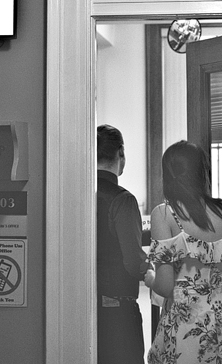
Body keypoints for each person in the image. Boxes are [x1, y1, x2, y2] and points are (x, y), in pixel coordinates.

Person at [146, 141, 222, 364]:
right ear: (203, 172)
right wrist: (213, 281)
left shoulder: (165, 214)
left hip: (184, 334)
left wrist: (149, 279)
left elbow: (165, 286)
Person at [96, 124, 153, 364]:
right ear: (121, 153)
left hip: (89, 310)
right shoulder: (123, 200)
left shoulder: (80, 194)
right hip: (118, 315)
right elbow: (132, 262)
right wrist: (153, 269)